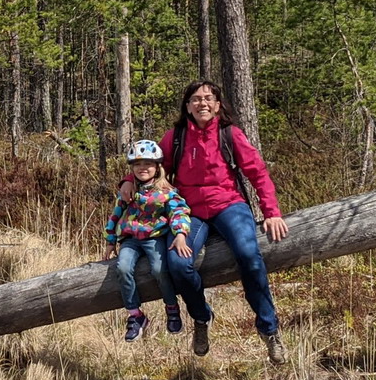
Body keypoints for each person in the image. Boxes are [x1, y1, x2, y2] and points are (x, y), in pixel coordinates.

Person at [120, 80, 289, 364]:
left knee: (249, 256)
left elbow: (257, 172)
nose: (203, 103)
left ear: (218, 105)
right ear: (187, 106)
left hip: (229, 205)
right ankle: (201, 317)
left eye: (208, 98)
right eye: (196, 99)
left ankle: (269, 328)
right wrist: (128, 180)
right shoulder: (176, 137)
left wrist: (271, 212)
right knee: (178, 264)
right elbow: (151, 164)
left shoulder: (230, 134)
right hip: (189, 211)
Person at [104, 139, 192, 342]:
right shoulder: (128, 190)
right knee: (123, 268)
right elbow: (115, 214)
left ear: (157, 166)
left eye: (148, 164)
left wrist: (180, 233)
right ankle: (135, 315)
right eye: (137, 164)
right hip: (130, 239)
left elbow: (179, 212)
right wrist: (110, 240)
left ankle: (171, 307)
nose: (142, 168)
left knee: (159, 269)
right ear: (131, 167)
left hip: (154, 238)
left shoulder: (166, 192)